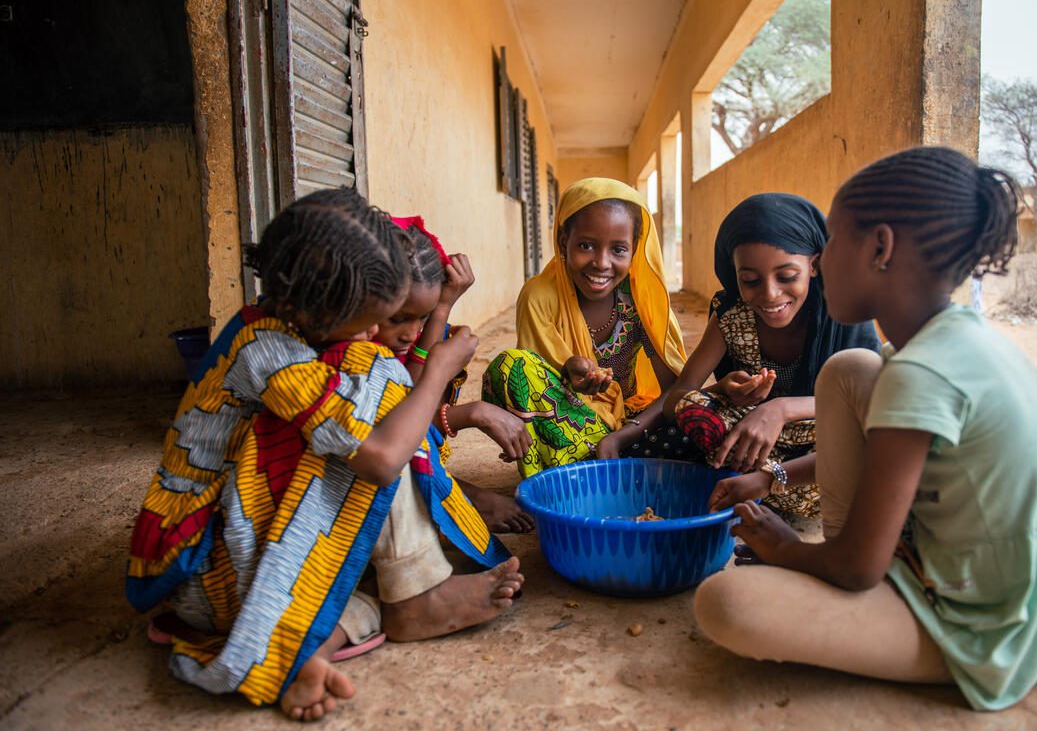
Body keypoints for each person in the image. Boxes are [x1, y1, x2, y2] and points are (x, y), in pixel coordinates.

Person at [693, 147, 1037, 711]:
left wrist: (786, 549)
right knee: (851, 370)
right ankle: (849, 562)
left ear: (880, 248)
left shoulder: (920, 376)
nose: (821, 258)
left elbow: (858, 568)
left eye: (831, 241)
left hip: (984, 619)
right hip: (994, 573)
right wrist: (771, 479)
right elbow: (884, 458)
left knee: (724, 605)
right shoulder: (949, 340)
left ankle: (938, 642)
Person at [127, 190, 523, 721]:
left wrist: (439, 321)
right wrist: (436, 373)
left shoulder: (293, 325)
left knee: (357, 568)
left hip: (250, 557)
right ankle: (414, 596)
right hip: (210, 575)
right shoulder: (265, 351)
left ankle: (309, 651)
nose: (372, 336)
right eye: (365, 323)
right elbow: (383, 455)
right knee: (376, 417)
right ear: (311, 308)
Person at [662, 193, 878, 517]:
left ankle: (764, 483)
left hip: (823, 450)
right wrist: (725, 392)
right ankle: (756, 482)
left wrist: (781, 409)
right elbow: (677, 398)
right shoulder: (732, 316)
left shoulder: (845, 312)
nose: (770, 294)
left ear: (815, 266)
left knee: (870, 440)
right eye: (750, 280)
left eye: (787, 277)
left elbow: (878, 400)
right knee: (691, 411)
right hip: (754, 446)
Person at [482, 177, 688, 478]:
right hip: (571, 422)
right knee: (511, 367)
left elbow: (674, 388)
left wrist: (626, 433)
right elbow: (534, 381)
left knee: (701, 417)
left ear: (635, 250)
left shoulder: (641, 300)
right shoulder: (539, 295)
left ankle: (592, 470)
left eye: (618, 249)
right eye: (586, 246)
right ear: (564, 242)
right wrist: (567, 370)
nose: (601, 263)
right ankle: (584, 476)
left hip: (632, 425)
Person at [374, 217, 536, 533]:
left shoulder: (402, 334)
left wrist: (443, 306)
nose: (410, 335)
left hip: (389, 445)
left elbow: (407, 391)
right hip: (366, 460)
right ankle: (453, 495)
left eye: (421, 318)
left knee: (442, 341)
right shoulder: (350, 349)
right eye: (398, 318)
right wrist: (471, 413)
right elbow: (394, 423)